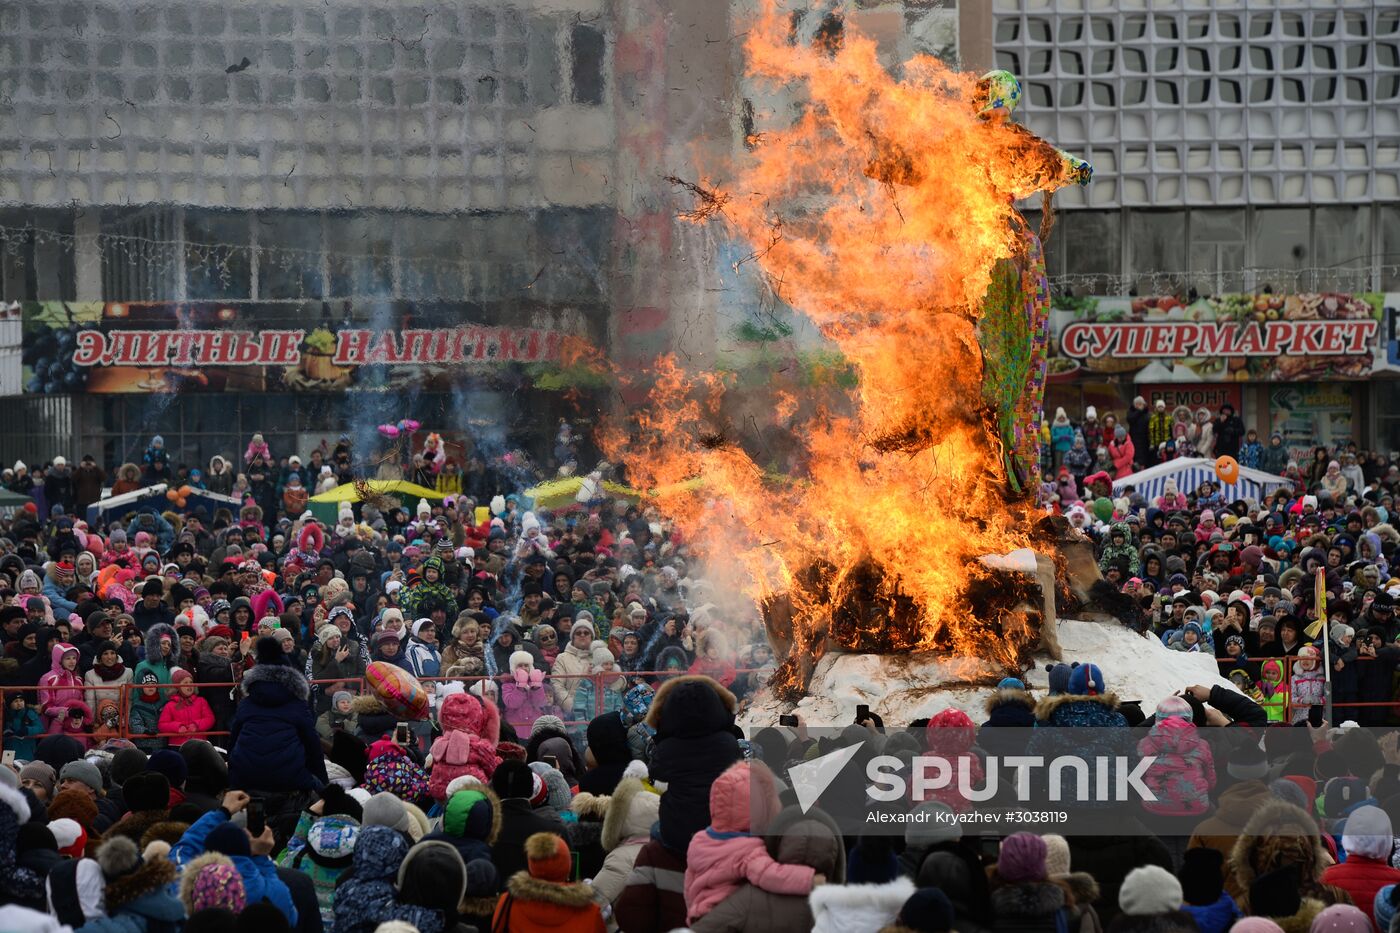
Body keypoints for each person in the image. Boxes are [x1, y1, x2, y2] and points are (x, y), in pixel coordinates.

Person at [228, 637, 328, 793]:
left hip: (246, 777)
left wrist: (233, 780)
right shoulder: (297, 704)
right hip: (290, 778)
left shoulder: (247, 703)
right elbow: (312, 744)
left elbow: (233, 741)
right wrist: (323, 784)